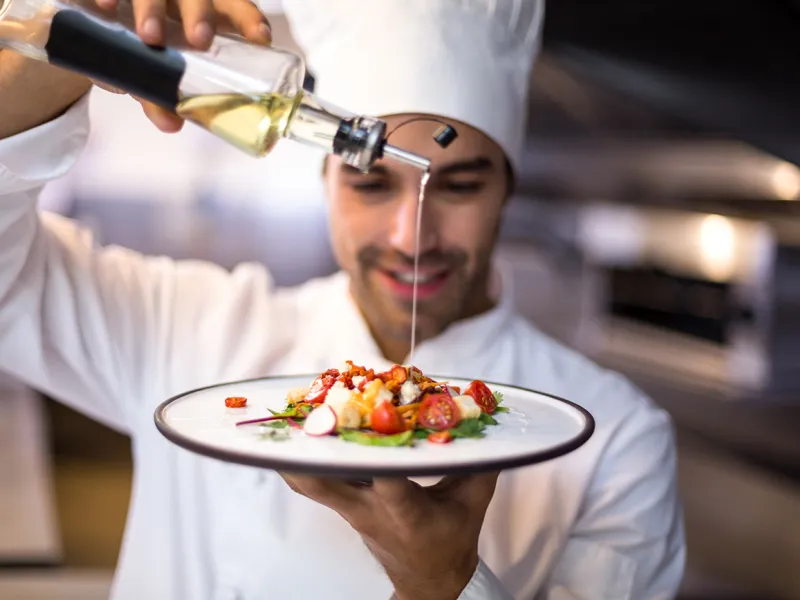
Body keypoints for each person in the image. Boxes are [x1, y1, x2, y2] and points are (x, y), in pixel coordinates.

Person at [0, 0, 685, 598]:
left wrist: (445, 586)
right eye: (370, 186)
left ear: (507, 191)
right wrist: (68, 38)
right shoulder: (192, 328)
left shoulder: (616, 442)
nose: (412, 237)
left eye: (461, 186)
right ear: (325, 181)